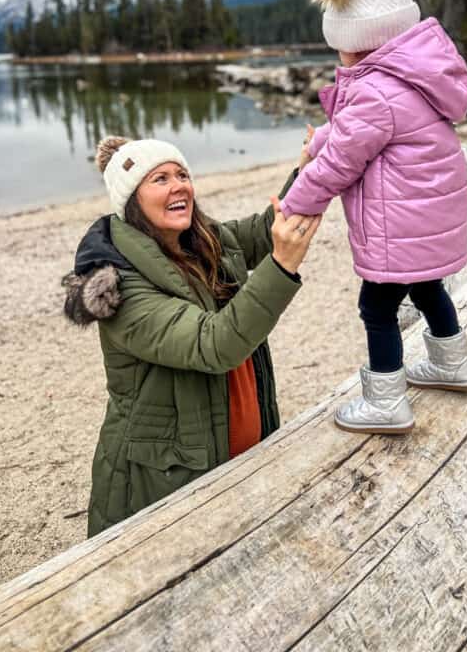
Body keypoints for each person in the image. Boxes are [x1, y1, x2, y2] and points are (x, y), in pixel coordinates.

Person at [63, 135, 321, 537]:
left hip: (232, 447)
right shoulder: (121, 288)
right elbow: (214, 344)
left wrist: (310, 173)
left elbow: (260, 230)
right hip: (166, 473)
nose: (178, 185)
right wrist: (283, 266)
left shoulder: (198, 240)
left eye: (181, 173)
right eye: (160, 179)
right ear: (132, 201)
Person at [281, 0, 467, 435]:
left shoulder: (372, 90)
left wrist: (294, 204)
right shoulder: (409, 74)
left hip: (399, 224)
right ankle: (454, 364)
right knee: (428, 286)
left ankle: (387, 401)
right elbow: (373, 130)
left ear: (355, 38)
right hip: (427, 219)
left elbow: (340, 163)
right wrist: (326, 134)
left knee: (377, 306)